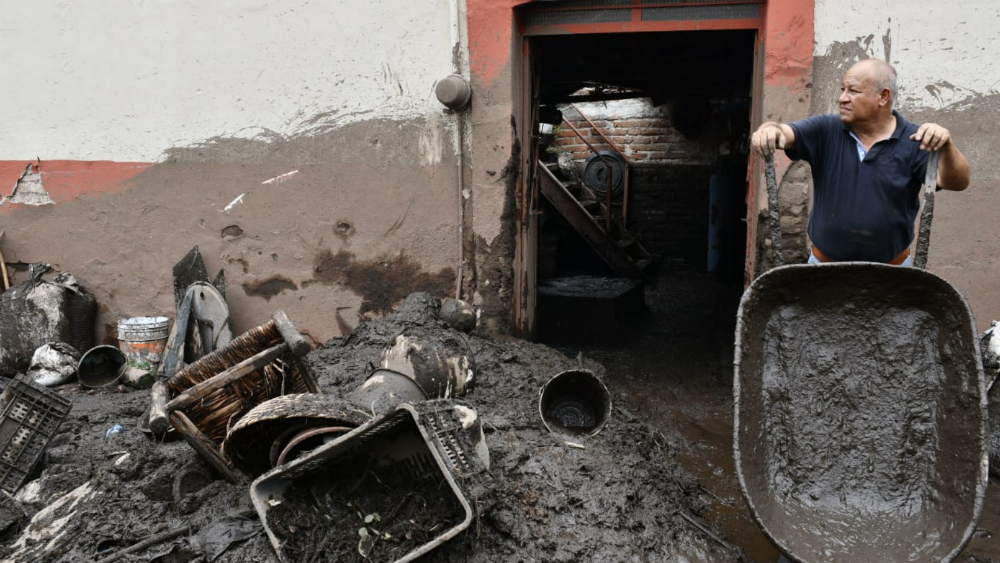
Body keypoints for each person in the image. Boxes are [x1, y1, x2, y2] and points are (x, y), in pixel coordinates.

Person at [751, 58, 971, 265]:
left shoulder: (914, 140)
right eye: (842, 89)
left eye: (853, 91)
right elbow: (782, 132)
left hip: (893, 274)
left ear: (883, 97)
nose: (842, 98)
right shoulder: (826, 130)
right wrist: (767, 130)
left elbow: (957, 182)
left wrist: (947, 146)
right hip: (823, 271)